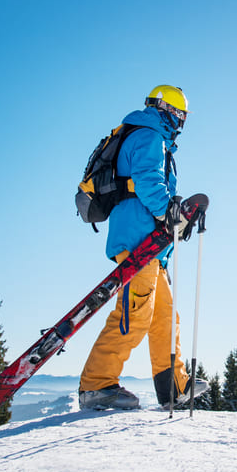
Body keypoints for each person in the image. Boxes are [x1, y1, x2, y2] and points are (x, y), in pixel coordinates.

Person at [78, 85, 208, 410]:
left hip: (152, 245)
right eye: (179, 114)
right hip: (137, 238)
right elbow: (149, 181)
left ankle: (174, 387)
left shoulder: (150, 136)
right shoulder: (149, 135)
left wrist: (171, 220)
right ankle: (97, 385)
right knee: (135, 313)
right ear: (166, 109)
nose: (181, 122)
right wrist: (170, 213)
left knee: (165, 317)